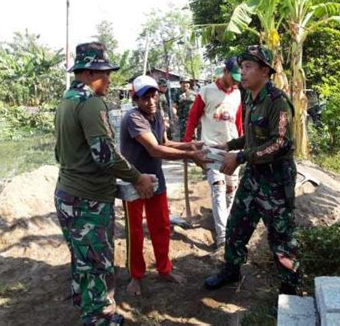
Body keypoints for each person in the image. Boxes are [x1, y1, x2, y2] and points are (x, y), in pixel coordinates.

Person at [54, 42, 155, 326]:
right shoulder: (90, 103)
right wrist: (137, 177)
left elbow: (60, 152)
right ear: (86, 74)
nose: (109, 79)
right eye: (104, 73)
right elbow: (105, 155)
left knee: (82, 255)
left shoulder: (67, 99)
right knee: (97, 261)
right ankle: (98, 317)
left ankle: (82, 299)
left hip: (67, 192)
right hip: (88, 198)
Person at [203, 45, 300, 295]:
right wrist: (229, 145)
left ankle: (289, 287)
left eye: (248, 67)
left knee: (281, 237)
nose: (242, 72)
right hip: (254, 176)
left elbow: (279, 143)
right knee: (236, 225)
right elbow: (253, 137)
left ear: (265, 71)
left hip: (276, 181)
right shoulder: (251, 98)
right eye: (242, 66)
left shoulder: (278, 102)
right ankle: (231, 270)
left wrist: (241, 156)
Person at [120, 75, 211, 296]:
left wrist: (190, 144)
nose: (150, 101)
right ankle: (136, 276)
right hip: (134, 181)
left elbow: (165, 143)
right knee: (135, 231)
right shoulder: (133, 118)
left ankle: (164, 269)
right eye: (145, 98)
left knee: (160, 226)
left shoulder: (157, 114)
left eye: (153, 96)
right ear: (135, 99)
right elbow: (154, 150)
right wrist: (191, 155)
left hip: (156, 180)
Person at [183, 57, 243, 249]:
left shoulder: (238, 94)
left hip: (232, 150)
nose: (235, 82)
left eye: (238, 78)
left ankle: (229, 227)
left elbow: (239, 122)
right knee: (217, 188)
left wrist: (242, 147)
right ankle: (223, 237)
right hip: (211, 148)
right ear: (224, 71)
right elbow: (193, 118)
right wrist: (187, 146)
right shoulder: (206, 91)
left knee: (230, 191)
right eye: (232, 77)